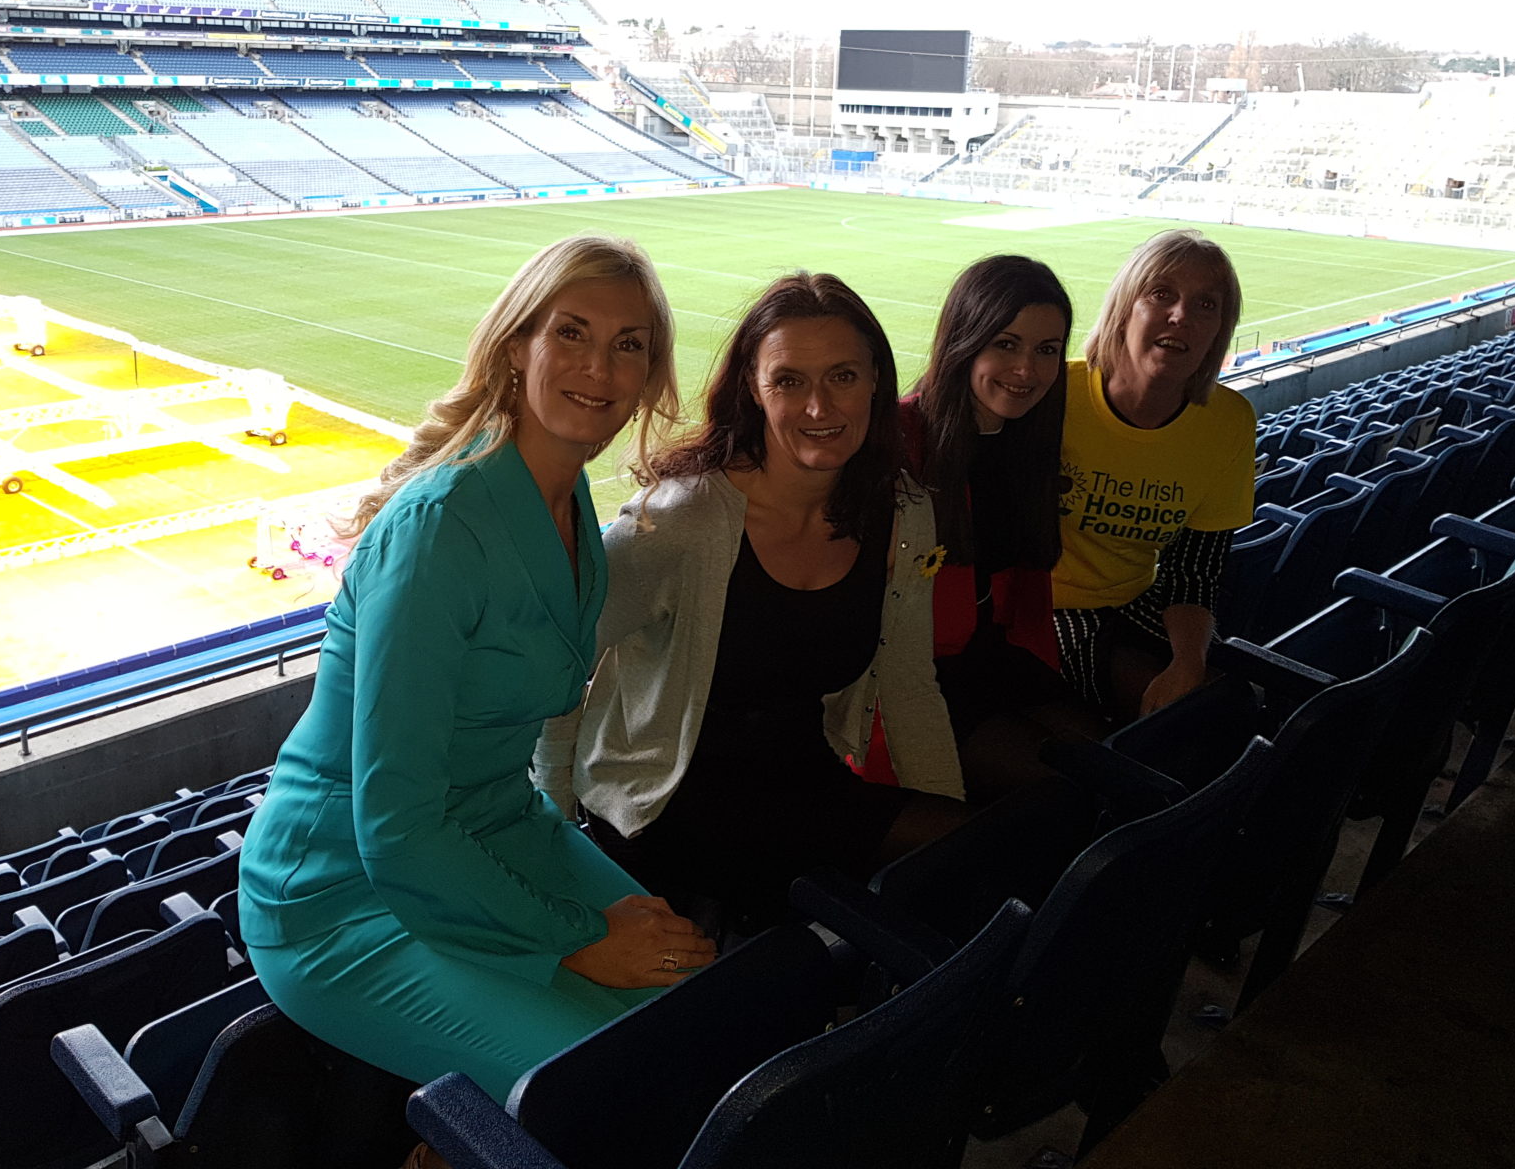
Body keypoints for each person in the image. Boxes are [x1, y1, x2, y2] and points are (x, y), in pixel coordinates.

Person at [238, 236, 716, 1109]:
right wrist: (577, 940)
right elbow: (395, 824)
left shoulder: (569, 506)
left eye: (629, 345)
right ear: (515, 347)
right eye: (571, 333)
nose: (599, 367)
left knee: (696, 1003)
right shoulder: (439, 530)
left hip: (498, 832)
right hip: (343, 891)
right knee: (612, 1085)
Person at [536, 272, 967, 930]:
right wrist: (561, 836)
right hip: (666, 800)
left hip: (800, 778)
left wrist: (940, 834)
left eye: (843, 376)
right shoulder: (678, 524)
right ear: (753, 391)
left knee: (970, 852)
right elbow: (556, 670)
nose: (820, 407)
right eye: (790, 381)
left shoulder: (903, 515)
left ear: (877, 381)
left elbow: (910, 687)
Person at [902, 254, 1108, 804]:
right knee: (1065, 795)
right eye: (1005, 344)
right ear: (965, 341)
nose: (1027, 371)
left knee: (1119, 759)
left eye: (1046, 350)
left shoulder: (1029, 444)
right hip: (919, 679)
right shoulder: (903, 444)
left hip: (995, 655)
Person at [1052, 229, 1257, 725]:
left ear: (1219, 330)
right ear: (1125, 307)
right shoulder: (1054, 394)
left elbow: (1195, 569)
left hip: (1138, 598)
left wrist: (1189, 660)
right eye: (1161, 294)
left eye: (1206, 304)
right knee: (1183, 723)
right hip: (1040, 608)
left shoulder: (1229, 422)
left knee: (1238, 703)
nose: (1182, 315)